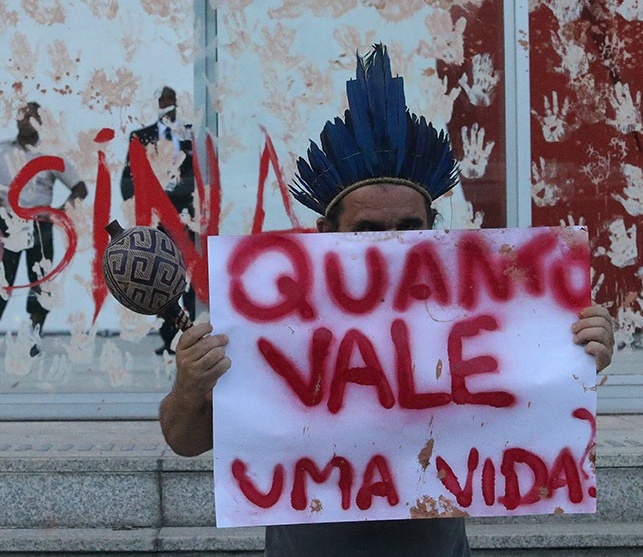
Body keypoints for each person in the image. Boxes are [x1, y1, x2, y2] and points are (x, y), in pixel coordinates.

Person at [158, 46, 615, 556]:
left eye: (408, 228)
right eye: (368, 230)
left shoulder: (469, 309)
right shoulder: (269, 322)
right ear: (325, 234)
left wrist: (576, 351)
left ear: (433, 230)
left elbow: (529, 401)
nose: (391, 245)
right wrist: (189, 384)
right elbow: (186, 439)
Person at [0, 102, 87, 357]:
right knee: (0, 281)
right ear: (17, 120)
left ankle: (33, 339)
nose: (27, 120)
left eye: (33, 116)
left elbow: (80, 188)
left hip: (39, 226)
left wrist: (60, 211)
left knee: (40, 283)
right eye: (24, 116)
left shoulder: (52, 154)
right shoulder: (0, 150)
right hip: (8, 224)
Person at [120, 86, 197, 356]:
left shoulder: (190, 134)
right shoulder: (141, 137)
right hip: (156, 221)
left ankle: (191, 334)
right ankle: (169, 337)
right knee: (161, 277)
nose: (168, 104)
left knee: (189, 276)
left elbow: (202, 172)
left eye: (172, 99)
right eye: (163, 99)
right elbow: (128, 178)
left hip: (187, 217)